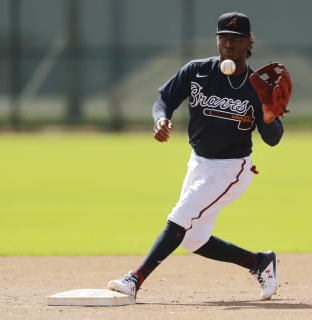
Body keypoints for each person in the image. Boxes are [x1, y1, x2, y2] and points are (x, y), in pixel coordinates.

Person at [108, 11, 289, 301]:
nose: (229, 44)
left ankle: (134, 280)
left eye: (236, 39)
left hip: (232, 169)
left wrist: (268, 115)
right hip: (199, 161)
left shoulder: (257, 88)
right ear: (217, 42)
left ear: (248, 44)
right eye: (224, 38)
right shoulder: (197, 71)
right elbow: (164, 100)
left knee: (181, 216)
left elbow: (273, 139)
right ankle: (259, 262)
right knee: (193, 239)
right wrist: (161, 119)